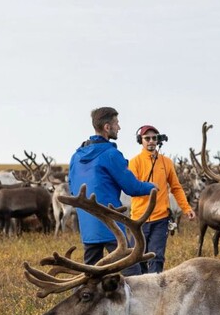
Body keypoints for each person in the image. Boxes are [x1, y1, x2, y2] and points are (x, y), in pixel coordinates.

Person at [68, 107, 156, 265]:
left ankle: (80, 291)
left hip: (88, 227)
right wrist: (152, 187)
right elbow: (132, 188)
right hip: (112, 227)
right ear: (107, 127)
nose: (119, 127)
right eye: (117, 123)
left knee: (91, 274)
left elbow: (73, 188)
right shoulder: (110, 154)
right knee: (130, 272)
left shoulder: (76, 157)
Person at [128, 124, 196, 274]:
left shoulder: (166, 162)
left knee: (157, 257)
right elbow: (132, 188)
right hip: (139, 220)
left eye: (154, 138)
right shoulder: (135, 162)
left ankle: (155, 292)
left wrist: (187, 208)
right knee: (136, 258)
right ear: (141, 140)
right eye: (147, 138)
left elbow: (176, 187)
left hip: (161, 219)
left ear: (158, 141)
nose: (151, 141)